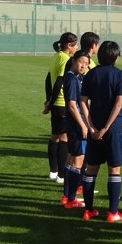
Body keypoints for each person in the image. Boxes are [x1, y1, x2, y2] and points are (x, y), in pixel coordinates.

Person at [79, 41, 122, 222]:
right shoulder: (121, 75)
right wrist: (106, 128)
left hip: (95, 128)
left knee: (91, 169)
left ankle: (89, 210)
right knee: (114, 170)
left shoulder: (90, 74)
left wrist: (91, 126)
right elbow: (118, 105)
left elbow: (83, 102)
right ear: (116, 57)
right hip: (114, 128)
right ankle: (113, 213)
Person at [43, 32, 78, 183]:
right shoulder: (66, 59)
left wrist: (49, 100)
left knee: (55, 137)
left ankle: (53, 171)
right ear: (69, 45)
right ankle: (62, 175)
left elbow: (47, 80)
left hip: (56, 104)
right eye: (76, 45)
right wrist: (51, 101)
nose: (77, 47)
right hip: (62, 103)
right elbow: (59, 82)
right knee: (64, 138)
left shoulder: (56, 56)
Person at [61, 50, 91, 209]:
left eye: (86, 64)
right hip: (77, 124)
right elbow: (72, 105)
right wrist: (83, 125)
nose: (84, 66)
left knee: (71, 159)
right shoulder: (72, 79)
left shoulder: (78, 77)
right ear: (73, 60)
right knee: (77, 162)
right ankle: (71, 199)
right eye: (81, 62)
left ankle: (66, 196)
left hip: (74, 124)